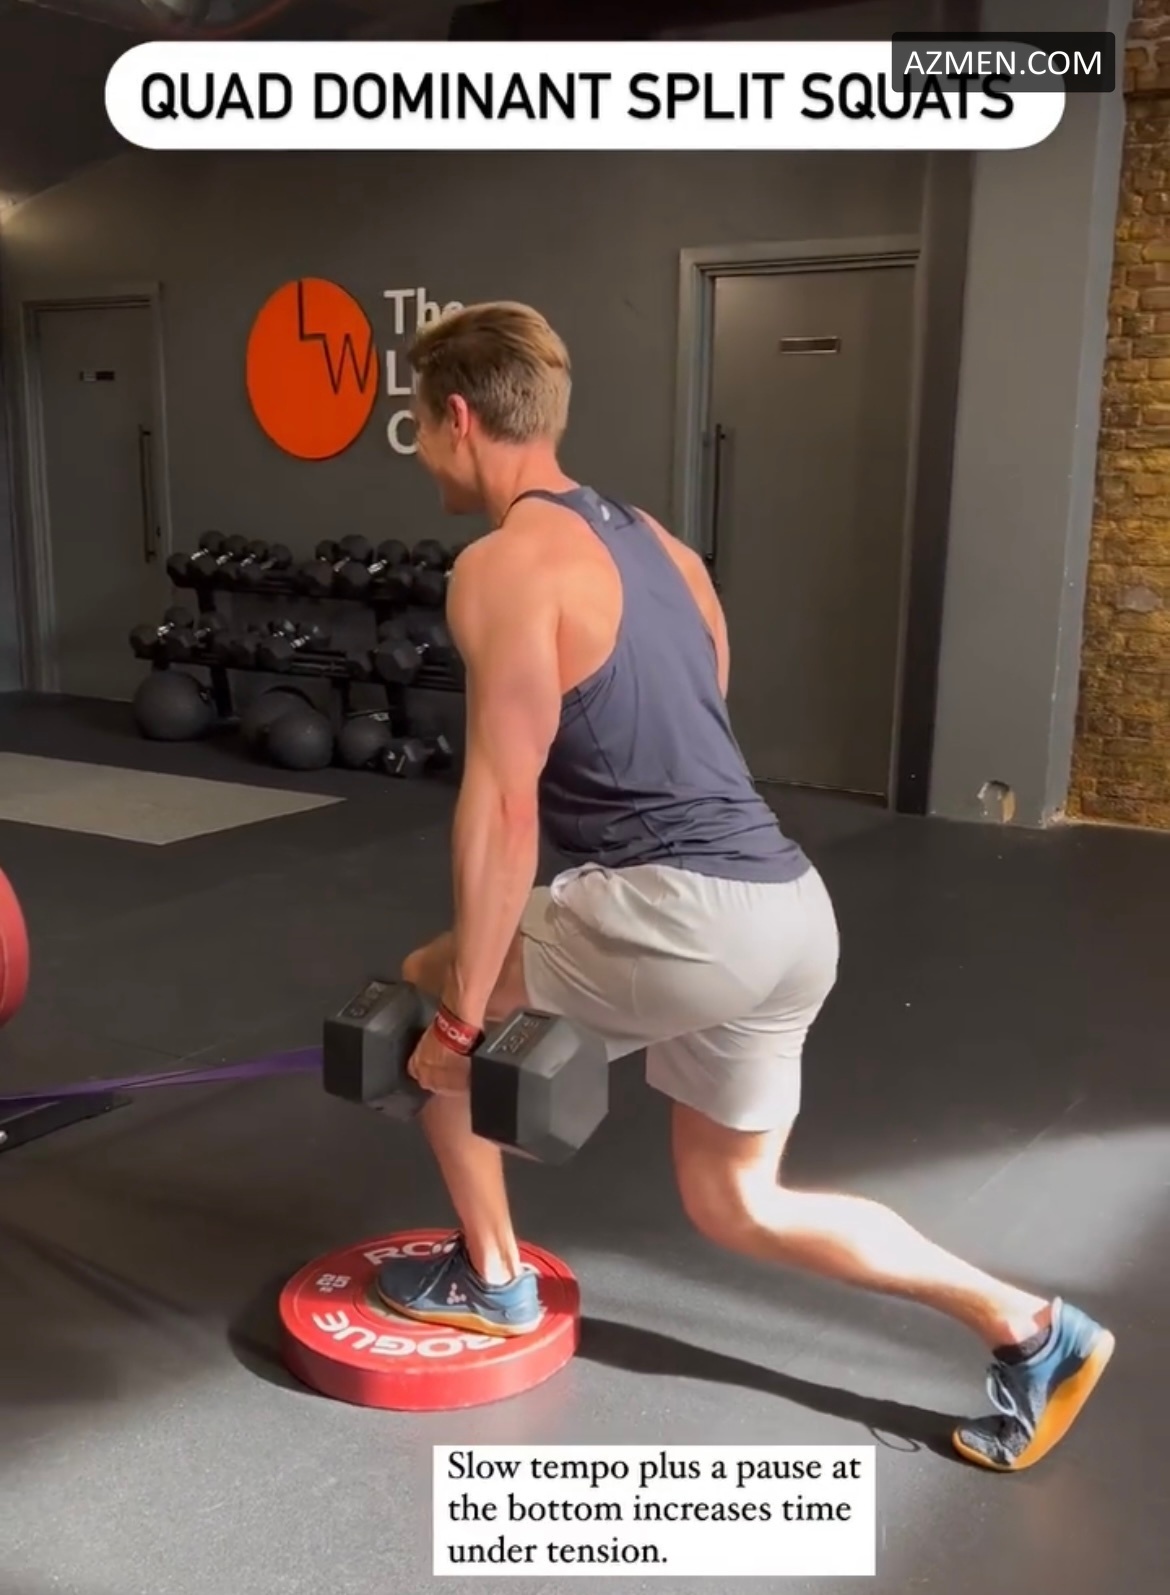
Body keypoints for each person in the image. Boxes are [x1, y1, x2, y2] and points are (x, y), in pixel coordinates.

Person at [375, 300, 1114, 1473]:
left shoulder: (501, 564)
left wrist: (462, 1021)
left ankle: (493, 1277)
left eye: (419, 425)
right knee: (741, 1201)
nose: (422, 450)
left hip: (682, 915)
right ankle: (1031, 1327)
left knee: (430, 998)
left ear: (458, 417)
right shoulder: (663, 547)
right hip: (789, 906)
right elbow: (703, 704)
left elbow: (506, 806)